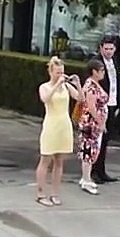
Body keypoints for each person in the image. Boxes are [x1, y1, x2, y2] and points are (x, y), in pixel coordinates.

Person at [37, 57, 82, 207]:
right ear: (51, 72)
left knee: (59, 162)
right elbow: (45, 99)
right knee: (45, 160)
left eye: (62, 72)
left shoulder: (67, 88)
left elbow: (80, 99)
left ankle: (55, 193)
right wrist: (57, 84)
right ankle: (41, 193)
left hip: (64, 124)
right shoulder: (45, 87)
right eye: (57, 72)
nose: (60, 75)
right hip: (51, 124)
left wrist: (77, 85)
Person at [76, 59, 110, 196]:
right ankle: (86, 178)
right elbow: (91, 107)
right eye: (101, 71)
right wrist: (100, 122)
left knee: (93, 150)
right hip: (90, 123)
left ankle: (87, 177)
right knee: (89, 151)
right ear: (94, 72)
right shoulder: (90, 86)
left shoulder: (95, 85)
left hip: (95, 123)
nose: (103, 73)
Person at [91, 38, 120, 184]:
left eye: (111, 49)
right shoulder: (96, 62)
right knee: (97, 138)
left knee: (106, 139)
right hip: (101, 104)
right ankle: (93, 170)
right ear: (101, 48)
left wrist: (117, 104)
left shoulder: (115, 62)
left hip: (112, 103)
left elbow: (117, 82)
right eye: (106, 49)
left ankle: (101, 171)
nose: (109, 51)